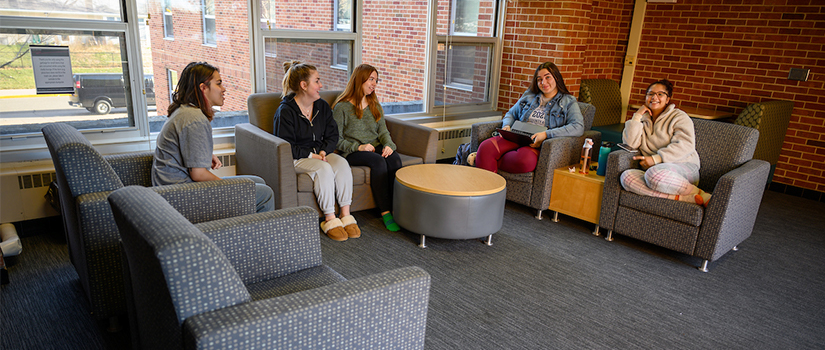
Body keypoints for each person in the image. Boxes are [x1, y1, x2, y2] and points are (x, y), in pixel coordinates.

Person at [152, 61, 274, 213]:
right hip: (180, 196)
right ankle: (257, 235)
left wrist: (205, 153)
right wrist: (230, 188)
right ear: (203, 88)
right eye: (219, 84)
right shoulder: (194, 118)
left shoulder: (185, 111)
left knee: (256, 182)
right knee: (265, 194)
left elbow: (185, 146)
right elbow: (198, 174)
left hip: (172, 190)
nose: (224, 89)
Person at [274, 60, 359, 242]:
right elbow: (286, 146)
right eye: (317, 81)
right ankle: (329, 218)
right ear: (303, 85)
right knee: (324, 169)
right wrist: (313, 155)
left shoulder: (322, 106)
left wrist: (324, 151)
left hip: (320, 154)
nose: (321, 85)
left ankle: (345, 214)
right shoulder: (286, 111)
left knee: (342, 164)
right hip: (298, 157)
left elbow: (332, 135)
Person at [475, 61, 584, 173]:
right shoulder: (529, 95)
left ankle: (484, 161)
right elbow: (511, 114)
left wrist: (546, 134)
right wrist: (506, 125)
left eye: (548, 77)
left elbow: (578, 127)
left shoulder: (568, 101)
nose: (543, 82)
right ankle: (488, 176)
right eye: (539, 79)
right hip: (517, 136)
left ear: (556, 77)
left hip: (535, 143)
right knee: (485, 148)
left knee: (524, 161)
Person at [332, 64, 402, 232]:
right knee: (378, 162)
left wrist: (389, 146)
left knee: (394, 159)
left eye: (376, 80)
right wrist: (359, 147)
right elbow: (336, 140)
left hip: (375, 146)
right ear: (360, 79)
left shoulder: (374, 104)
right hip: (352, 152)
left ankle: (396, 209)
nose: (374, 84)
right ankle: (385, 212)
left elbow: (383, 131)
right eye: (371, 79)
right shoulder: (341, 107)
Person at [620, 79, 711, 206]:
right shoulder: (642, 119)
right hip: (656, 173)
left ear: (667, 99)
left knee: (653, 174)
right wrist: (637, 116)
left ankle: (700, 193)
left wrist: (656, 159)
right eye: (650, 94)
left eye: (660, 94)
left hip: (683, 167)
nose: (654, 97)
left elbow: (685, 145)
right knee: (626, 177)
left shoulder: (679, 117)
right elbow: (630, 144)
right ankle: (686, 199)